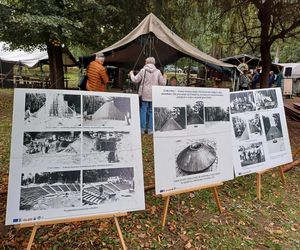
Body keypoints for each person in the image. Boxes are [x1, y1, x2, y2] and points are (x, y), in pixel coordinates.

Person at [130, 57, 166, 134]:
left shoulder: (143, 70)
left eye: (145, 61)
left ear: (147, 62)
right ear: (154, 63)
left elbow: (135, 80)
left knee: (143, 110)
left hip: (144, 93)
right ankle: (150, 130)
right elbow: (163, 83)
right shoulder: (158, 71)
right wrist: (165, 77)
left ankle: (142, 129)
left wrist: (131, 74)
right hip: (154, 93)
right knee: (151, 111)